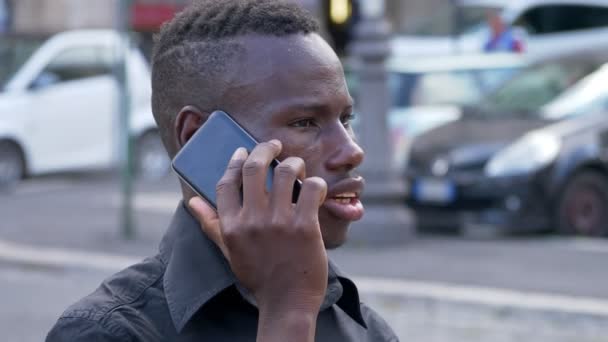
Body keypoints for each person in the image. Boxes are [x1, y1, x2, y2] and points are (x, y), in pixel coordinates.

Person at [46, 0, 399, 341]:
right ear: (198, 138)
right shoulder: (105, 332)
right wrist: (287, 311)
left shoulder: (367, 331)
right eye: (306, 122)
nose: (352, 151)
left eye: (346, 119)